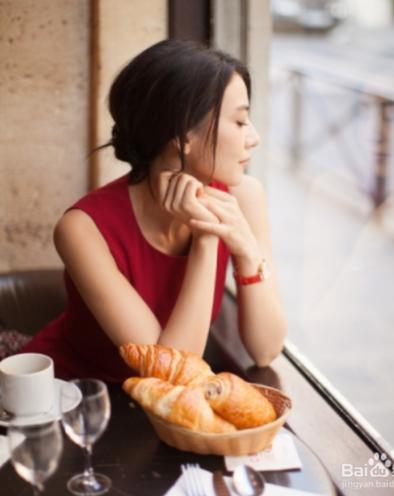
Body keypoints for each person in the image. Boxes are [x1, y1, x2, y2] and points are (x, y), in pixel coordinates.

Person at [22, 39, 287, 381]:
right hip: (74, 399)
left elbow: (266, 349)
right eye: (239, 122)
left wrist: (248, 251)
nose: (254, 138)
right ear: (182, 135)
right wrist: (206, 240)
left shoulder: (244, 197)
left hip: (162, 409)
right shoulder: (82, 229)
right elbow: (168, 376)